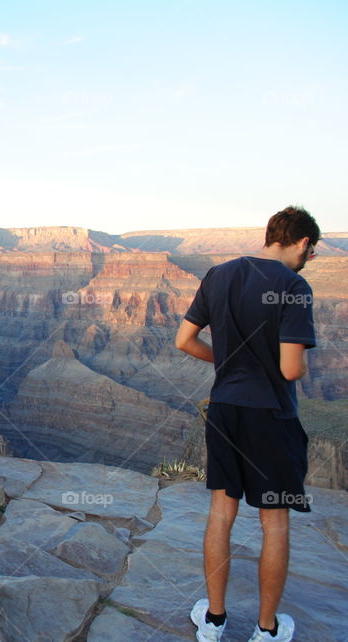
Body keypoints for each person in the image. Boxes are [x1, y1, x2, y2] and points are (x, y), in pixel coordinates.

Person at [176, 206, 320, 642]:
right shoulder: (293, 287)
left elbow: (185, 340)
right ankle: (267, 629)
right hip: (272, 417)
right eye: (310, 252)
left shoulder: (219, 274)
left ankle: (215, 621)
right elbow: (292, 369)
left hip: (225, 408)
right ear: (301, 242)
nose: (308, 260)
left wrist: (231, 361)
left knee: (222, 513)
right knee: (273, 522)